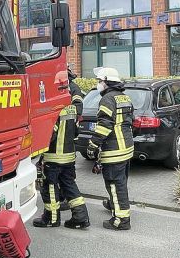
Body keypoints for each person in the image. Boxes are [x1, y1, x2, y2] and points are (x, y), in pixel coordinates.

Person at [33, 66, 90, 229]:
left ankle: (51, 218)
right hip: (69, 155)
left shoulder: (56, 107)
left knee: (49, 186)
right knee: (69, 185)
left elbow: (50, 133)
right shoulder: (72, 107)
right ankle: (81, 217)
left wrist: (38, 150)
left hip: (54, 156)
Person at [87, 66, 134, 230]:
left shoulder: (107, 99)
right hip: (126, 147)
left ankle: (121, 220)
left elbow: (104, 126)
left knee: (115, 184)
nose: (98, 84)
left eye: (100, 81)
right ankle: (117, 207)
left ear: (107, 82)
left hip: (114, 150)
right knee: (121, 183)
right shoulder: (124, 97)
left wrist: (93, 145)